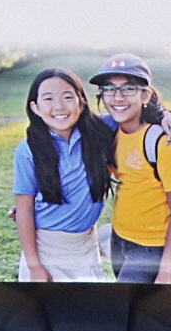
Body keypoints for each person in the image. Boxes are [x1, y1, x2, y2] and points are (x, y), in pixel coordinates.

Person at [93, 55, 171, 285]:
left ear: (145, 95)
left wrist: (166, 271)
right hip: (119, 238)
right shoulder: (112, 132)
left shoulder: (164, 142)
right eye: (109, 89)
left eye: (128, 88)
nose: (118, 97)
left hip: (151, 248)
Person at [11, 67, 113, 282]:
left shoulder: (101, 130)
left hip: (87, 245)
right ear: (35, 107)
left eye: (67, 97)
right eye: (48, 99)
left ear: (81, 102)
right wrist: (35, 267)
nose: (59, 106)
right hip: (47, 249)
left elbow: (139, 115)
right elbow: (24, 209)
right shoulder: (28, 151)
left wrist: (166, 117)